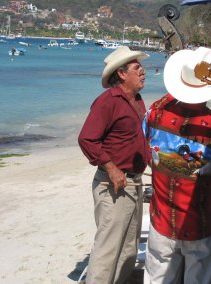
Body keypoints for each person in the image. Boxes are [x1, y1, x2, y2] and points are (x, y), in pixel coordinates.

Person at [143, 47, 211, 284]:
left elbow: (146, 141)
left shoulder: (155, 115)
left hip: (161, 219)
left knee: (157, 279)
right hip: (198, 223)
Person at [78, 46, 151, 284]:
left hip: (134, 183)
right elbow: (87, 138)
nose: (143, 71)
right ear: (121, 74)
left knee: (129, 250)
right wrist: (111, 168)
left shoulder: (137, 101)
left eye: (141, 67)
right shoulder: (107, 101)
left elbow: (138, 139)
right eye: (137, 67)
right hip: (114, 185)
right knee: (107, 252)